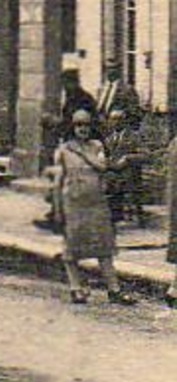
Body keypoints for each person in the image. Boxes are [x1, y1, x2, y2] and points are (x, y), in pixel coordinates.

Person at [55, 109, 137, 306]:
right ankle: (75, 288)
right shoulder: (64, 150)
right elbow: (58, 181)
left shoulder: (97, 146)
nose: (83, 129)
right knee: (72, 247)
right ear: (72, 127)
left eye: (86, 125)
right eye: (78, 125)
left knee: (104, 247)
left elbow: (101, 167)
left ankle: (114, 289)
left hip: (96, 202)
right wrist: (57, 210)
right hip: (73, 202)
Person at [36, 69, 97, 232]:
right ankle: (57, 214)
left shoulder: (82, 100)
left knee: (63, 182)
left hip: (80, 150)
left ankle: (60, 219)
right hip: (71, 146)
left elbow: (78, 125)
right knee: (58, 181)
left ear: (73, 82)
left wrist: (56, 123)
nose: (64, 87)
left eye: (66, 83)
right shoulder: (73, 98)